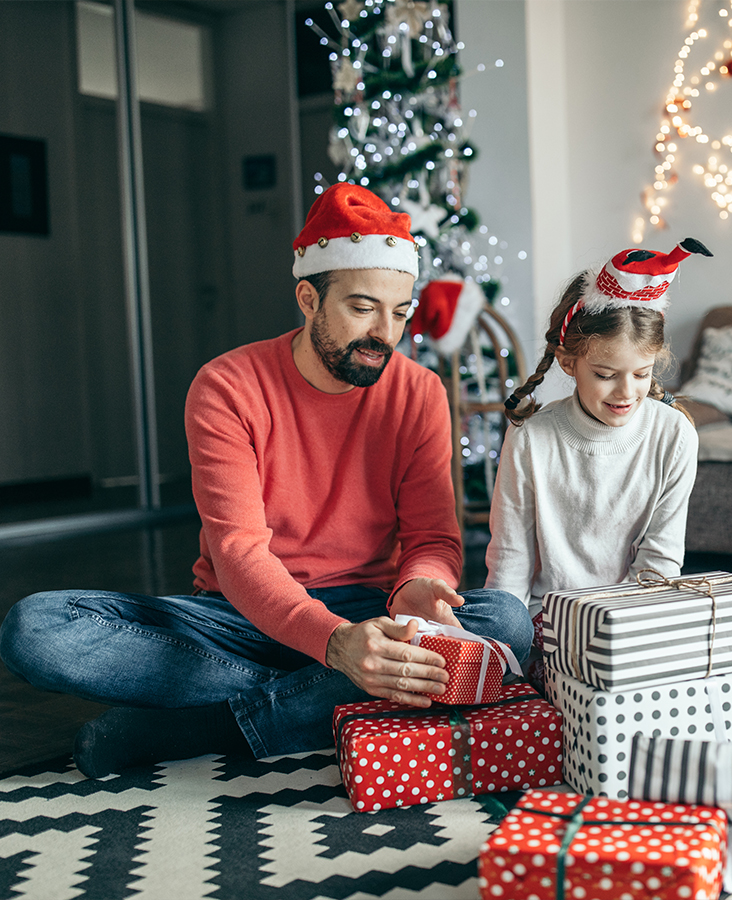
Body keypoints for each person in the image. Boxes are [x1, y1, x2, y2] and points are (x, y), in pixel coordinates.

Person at [0, 183, 532, 778]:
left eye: (400, 312)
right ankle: (325, 698)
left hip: (371, 610)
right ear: (309, 298)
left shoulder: (419, 392)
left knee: (507, 621)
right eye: (363, 308)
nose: (386, 332)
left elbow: (433, 537)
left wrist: (420, 585)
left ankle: (208, 727)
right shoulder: (227, 386)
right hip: (242, 615)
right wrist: (335, 647)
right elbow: (238, 553)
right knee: (37, 629)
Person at [484, 241, 708, 617]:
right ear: (568, 362)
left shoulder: (675, 434)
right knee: (498, 619)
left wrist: (610, 629)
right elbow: (510, 562)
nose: (626, 392)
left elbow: (659, 563)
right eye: (605, 375)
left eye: (642, 374)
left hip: (634, 615)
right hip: (548, 617)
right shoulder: (530, 439)